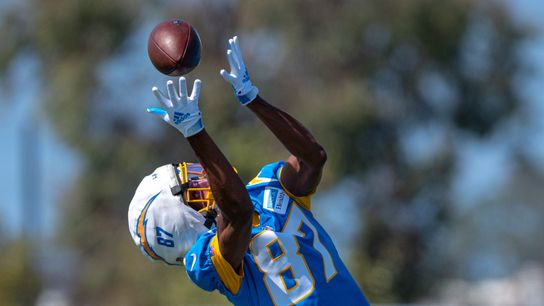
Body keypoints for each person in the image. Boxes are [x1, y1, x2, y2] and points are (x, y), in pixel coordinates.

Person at [128, 36, 370, 306]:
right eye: (190, 183)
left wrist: (252, 98)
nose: (201, 174)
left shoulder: (267, 188)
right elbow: (238, 214)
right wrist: (194, 131)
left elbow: (312, 158)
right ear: (180, 218)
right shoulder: (208, 261)